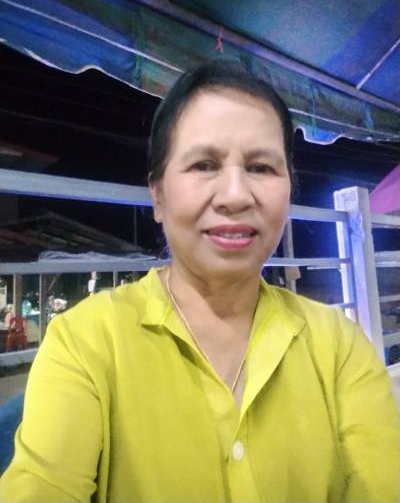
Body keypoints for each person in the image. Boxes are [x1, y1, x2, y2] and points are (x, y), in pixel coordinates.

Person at [0, 60, 399, 503]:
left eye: (261, 167)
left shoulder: (340, 347)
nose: (235, 195)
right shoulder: (86, 342)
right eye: (204, 164)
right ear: (157, 195)